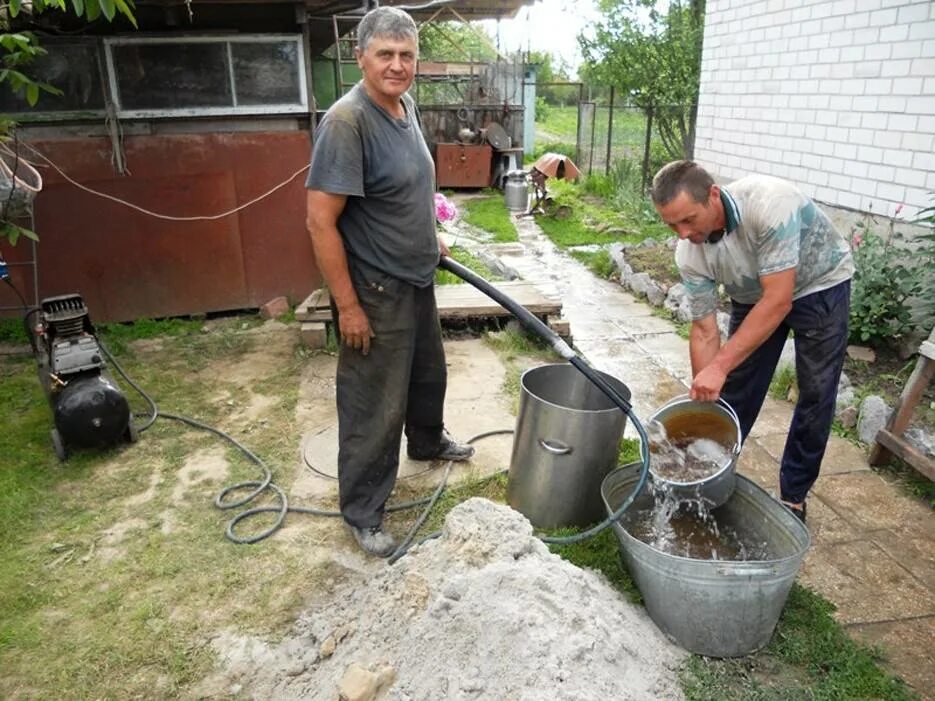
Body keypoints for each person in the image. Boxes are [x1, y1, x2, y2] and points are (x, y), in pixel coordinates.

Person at [305, 6, 474, 557]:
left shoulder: (405, 108)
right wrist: (347, 306)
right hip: (374, 291)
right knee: (374, 403)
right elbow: (320, 221)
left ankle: (426, 442)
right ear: (361, 58)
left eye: (406, 55)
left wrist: (430, 234)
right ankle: (363, 510)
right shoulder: (347, 122)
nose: (397, 65)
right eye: (386, 55)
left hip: (416, 276)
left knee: (428, 375)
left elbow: (409, 185)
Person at [650, 161, 854, 523]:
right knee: (734, 391)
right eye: (671, 224)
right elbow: (704, 330)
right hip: (753, 293)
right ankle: (710, 473)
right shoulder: (689, 252)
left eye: (689, 220)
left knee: (816, 392)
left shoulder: (770, 204)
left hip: (820, 284)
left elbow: (779, 301)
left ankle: (793, 495)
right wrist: (705, 397)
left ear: (713, 195)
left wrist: (719, 366)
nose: (682, 233)